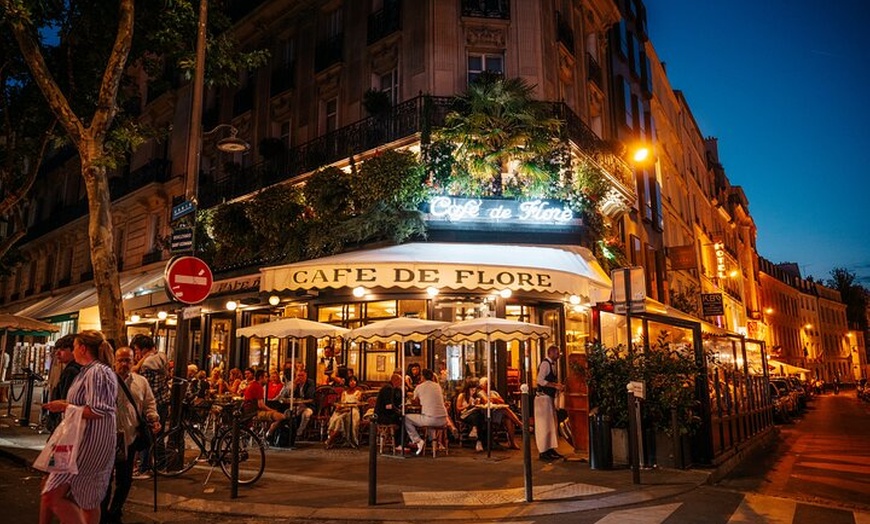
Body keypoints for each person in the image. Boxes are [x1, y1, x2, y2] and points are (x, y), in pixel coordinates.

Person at [40, 330, 117, 524]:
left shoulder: (97, 371)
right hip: (80, 441)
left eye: (74, 347)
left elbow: (99, 410)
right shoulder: (90, 371)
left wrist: (65, 406)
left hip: (88, 444)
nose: (72, 351)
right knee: (86, 502)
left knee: (55, 496)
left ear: (82, 348)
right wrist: (66, 404)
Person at [101, 346, 160, 524]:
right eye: (121, 360)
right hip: (108, 436)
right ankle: (102, 514)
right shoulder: (106, 380)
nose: (125, 364)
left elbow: (149, 403)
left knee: (125, 479)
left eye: (128, 360)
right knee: (105, 478)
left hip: (130, 436)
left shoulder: (141, 382)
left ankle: (115, 512)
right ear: (114, 361)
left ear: (134, 361)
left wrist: (153, 418)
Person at [404, 368, 449, 455]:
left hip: (430, 419)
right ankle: (433, 443)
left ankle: (417, 440)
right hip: (443, 420)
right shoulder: (437, 386)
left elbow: (415, 402)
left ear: (422, 377)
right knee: (428, 419)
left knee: (406, 418)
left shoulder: (419, 387)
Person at [535, 344, 564, 461]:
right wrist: (555, 386)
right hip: (543, 398)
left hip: (548, 397)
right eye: (557, 353)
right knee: (545, 425)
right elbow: (540, 380)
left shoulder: (551, 364)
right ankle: (544, 450)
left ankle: (550, 447)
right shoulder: (545, 364)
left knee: (551, 424)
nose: (558, 356)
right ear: (550, 353)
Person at [46, 334, 80, 433]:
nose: (57, 353)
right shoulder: (71, 369)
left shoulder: (71, 371)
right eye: (57, 350)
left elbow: (66, 399)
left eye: (62, 349)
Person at [478, 377, 519, 449]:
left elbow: (502, 401)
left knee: (509, 420)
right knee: (505, 409)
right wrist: (496, 399)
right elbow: (486, 401)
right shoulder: (480, 393)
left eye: (489, 384)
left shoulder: (494, 392)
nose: (489, 386)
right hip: (488, 414)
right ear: (482, 385)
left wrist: (494, 399)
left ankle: (512, 442)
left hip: (498, 413)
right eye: (486, 384)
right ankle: (520, 424)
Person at [243, 369, 285, 439]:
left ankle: (264, 433)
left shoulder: (252, 384)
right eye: (265, 377)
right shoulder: (258, 387)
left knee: (272, 415)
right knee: (281, 417)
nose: (268, 379)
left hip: (248, 411)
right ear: (260, 378)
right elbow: (261, 405)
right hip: (254, 413)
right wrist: (272, 410)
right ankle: (269, 434)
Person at [277, 368, 315, 440]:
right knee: (287, 412)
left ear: (306, 375)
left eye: (302, 375)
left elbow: (309, 396)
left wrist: (301, 401)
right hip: (296, 406)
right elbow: (287, 394)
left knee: (306, 414)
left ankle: (299, 433)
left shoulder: (310, 383)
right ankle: (288, 432)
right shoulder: (295, 383)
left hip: (308, 406)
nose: (300, 377)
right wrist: (294, 384)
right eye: (298, 375)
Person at [325, 374, 363, 448]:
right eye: (351, 381)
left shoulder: (358, 392)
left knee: (347, 418)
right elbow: (342, 403)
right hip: (344, 409)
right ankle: (334, 439)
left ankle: (351, 440)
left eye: (354, 381)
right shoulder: (344, 393)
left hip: (353, 410)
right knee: (337, 419)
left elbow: (357, 402)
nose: (352, 382)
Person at [374, 370, 405, 449]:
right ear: (395, 381)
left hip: (380, 414)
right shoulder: (389, 389)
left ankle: (397, 443)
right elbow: (389, 406)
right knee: (403, 420)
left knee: (401, 419)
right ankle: (399, 443)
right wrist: (398, 411)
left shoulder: (388, 387)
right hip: (383, 416)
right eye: (400, 381)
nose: (401, 384)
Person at [456, 378, 487, 452]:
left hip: (474, 414)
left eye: (474, 390)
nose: (473, 392)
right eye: (471, 390)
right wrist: (468, 405)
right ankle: (479, 441)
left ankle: (475, 431)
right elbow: (458, 408)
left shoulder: (475, 396)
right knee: (479, 417)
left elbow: (485, 402)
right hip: (464, 415)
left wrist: (478, 402)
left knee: (480, 416)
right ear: (467, 389)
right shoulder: (462, 396)